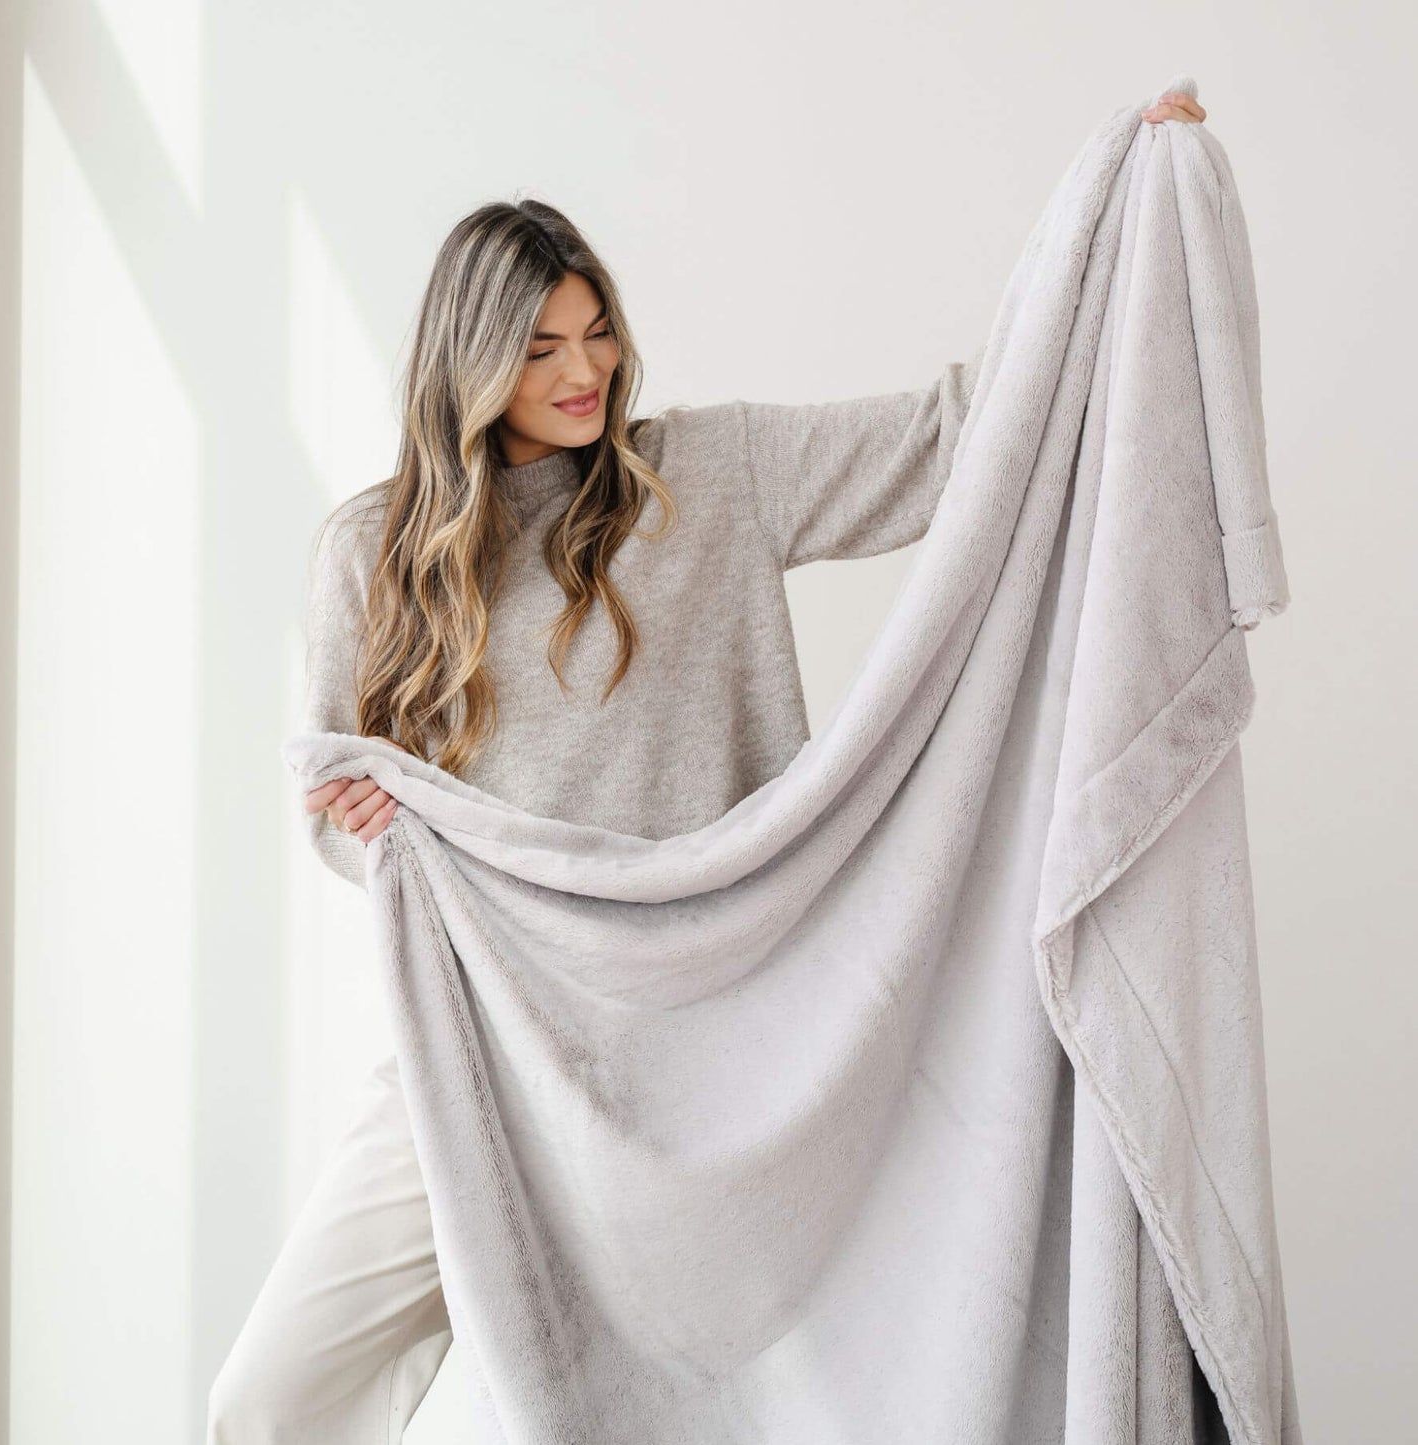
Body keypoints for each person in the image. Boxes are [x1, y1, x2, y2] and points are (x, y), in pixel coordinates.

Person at [206, 91, 1208, 1443]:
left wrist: (1117, 197)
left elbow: (959, 431)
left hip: (718, 1053)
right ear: (469, 361)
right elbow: (337, 805)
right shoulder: (370, 552)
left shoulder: (710, 476)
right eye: (542, 348)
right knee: (267, 1397)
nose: (586, 370)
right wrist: (369, 827)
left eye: (597, 331)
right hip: (484, 1059)